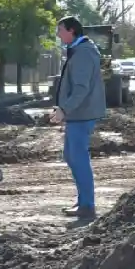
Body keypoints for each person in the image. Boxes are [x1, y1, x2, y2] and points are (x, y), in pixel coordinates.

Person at [50, 16, 106, 220]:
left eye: (61, 30)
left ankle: (87, 205)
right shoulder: (79, 50)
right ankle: (83, 201)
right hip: (78, 113)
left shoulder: (82, 53)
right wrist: (62, 107)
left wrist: (65, 109)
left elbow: (81, 89)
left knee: (78, 157)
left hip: (82, 114)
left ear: (72, 31)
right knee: (71, 156)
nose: (58, 35)